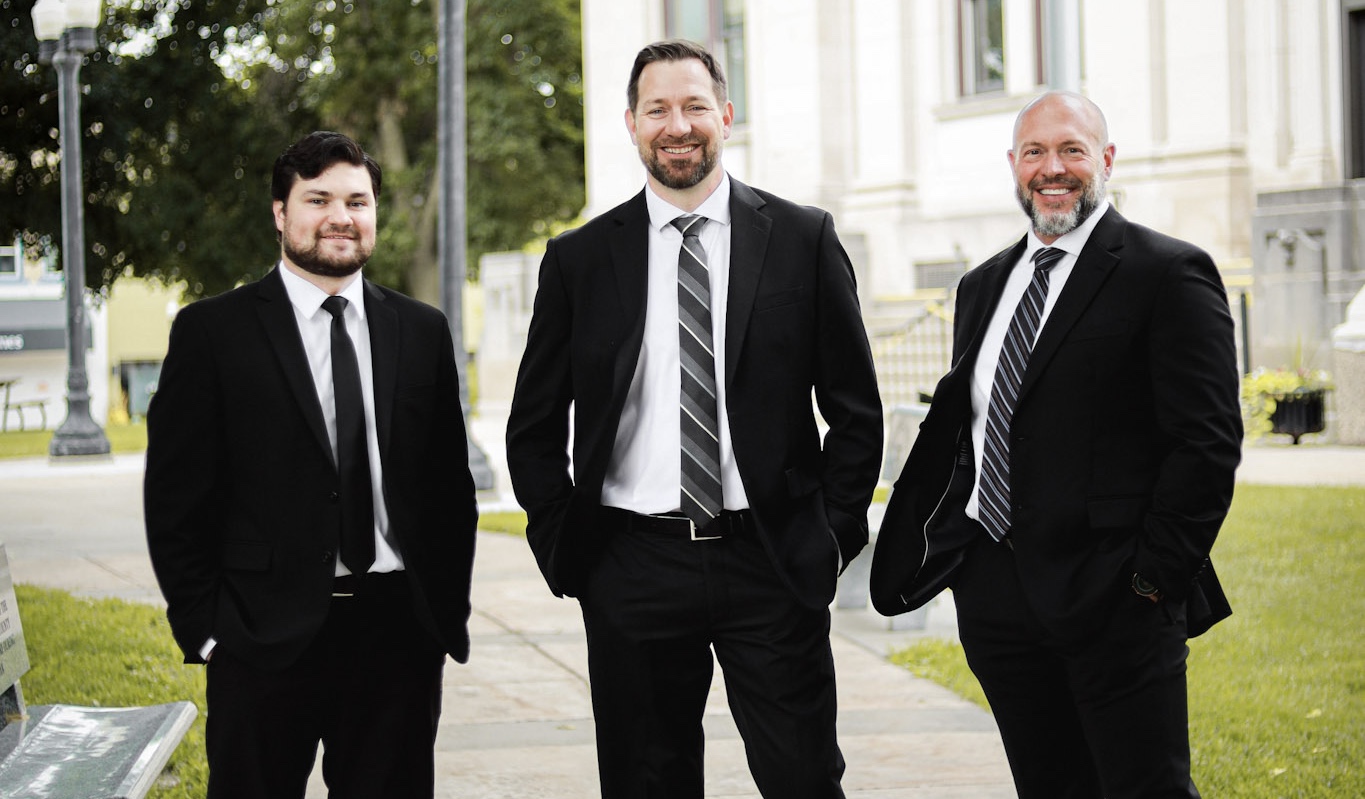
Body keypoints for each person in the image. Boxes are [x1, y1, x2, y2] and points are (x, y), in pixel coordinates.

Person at [505, 39, 883, 799]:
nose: (677, 126)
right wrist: (565, 547)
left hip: (770, 558)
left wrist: (831, 535)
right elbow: (533, 425)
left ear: (726, 116)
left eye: (694, 107)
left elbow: (855, 410)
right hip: (631, 564)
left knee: (804, 777)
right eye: (658, 110)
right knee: (647, 782)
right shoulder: (579, 260)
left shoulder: (802, 239)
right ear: (631, 123)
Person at [870, 91, 1243, 798]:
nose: (1052, 168)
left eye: (1072, 149)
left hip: (1117, 600)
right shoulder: (982, 285)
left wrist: (1151, 580)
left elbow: (1206, 442)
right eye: (1035, 152)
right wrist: (963, 563)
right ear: (1013, 164)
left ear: (1106, 159)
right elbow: (976, 428)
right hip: (996, 598)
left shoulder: (1165, 272)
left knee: (1146, 789)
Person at [144, 130, 478, 798]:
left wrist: (439, 616)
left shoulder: (421, 330)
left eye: (357, 201)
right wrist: (206, 632)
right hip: (261, 638)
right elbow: (176, 499)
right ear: (280, 212)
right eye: (318, 199)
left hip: (395, 637)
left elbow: (448, 488)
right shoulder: (212, 332)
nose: (340, 217)